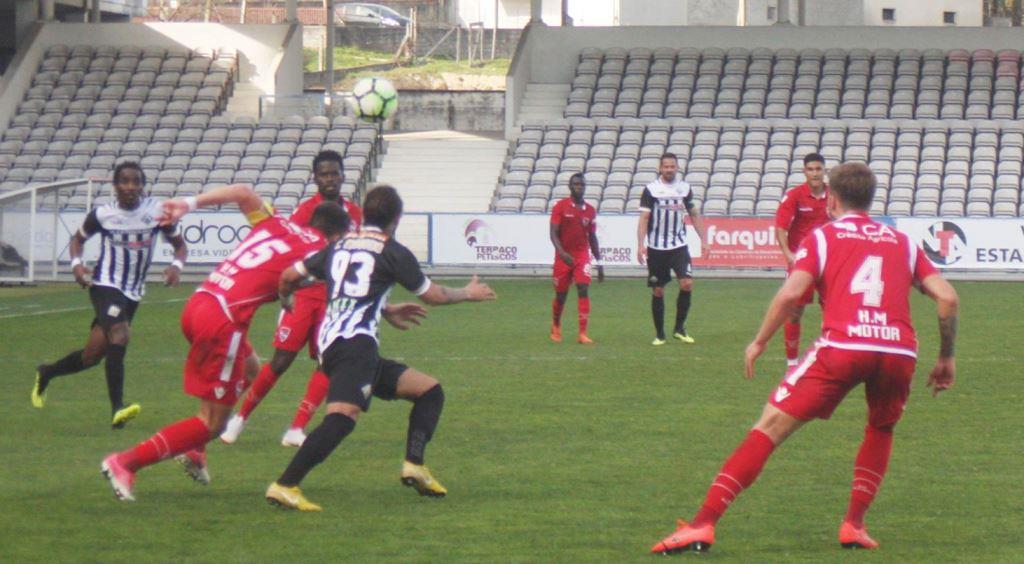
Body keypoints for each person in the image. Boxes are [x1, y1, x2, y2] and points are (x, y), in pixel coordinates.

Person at [650, 163, 959, 554]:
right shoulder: (903, 241)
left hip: (845, 347)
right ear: (870, 199)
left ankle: (702, 524)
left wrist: (760, 341)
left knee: (770, 426)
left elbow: (792, 293)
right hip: (898, 351)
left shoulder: (823, 237)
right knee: (881, 428)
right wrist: (946, 357)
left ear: (832, 200)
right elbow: (948, 297)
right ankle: (854, 525)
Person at [100, 184, 350, 501]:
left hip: (200, 302)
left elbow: (243, 192)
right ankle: (125, 462)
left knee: (251, 369)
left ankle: (194, 450)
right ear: (337, 236)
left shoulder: (276, 222)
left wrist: (188, 204)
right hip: (223, 321)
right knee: (213, 423)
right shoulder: (319, 251)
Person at [265, 185, 497, 512]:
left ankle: (414, 465)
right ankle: (285, 484)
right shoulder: (392, 251)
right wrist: (467, 293)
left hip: (337, 345)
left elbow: (289, 276)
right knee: (342, 418)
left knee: (429, 391)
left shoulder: (339, 245)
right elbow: (433, 295)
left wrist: (286, 301)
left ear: (364, 214)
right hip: (354, 345)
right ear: (396, 219)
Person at [220, 150, 363, 448]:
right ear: (315, 178)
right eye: (324, 174)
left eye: (334, 173)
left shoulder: (355, 213)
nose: (330, 179)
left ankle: (297, 428)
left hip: (334, 299)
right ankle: (239, 418)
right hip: (304, 294)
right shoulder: (305, 211)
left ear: (343, 175)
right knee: (282, 359)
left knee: (327, 360)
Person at [31, 161, 187, 428]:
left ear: (143, 186)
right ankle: (118, 408)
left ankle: (47, 372)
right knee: (121, 334)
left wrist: (176, 266)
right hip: (105, 284)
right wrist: (76, 265)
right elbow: (77, 240)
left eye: (136, 181)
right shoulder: (102, 215)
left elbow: (180, 246)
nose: (131, 187)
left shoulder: (157, 212)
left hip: (133, 292)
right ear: (115, 186)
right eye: (124, 181)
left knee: (91, 356)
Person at [637, 153, 707, 346]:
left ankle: (679, 329)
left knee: (687, 284)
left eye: (672, 166)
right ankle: (660, 334)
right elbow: (644, 218)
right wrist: (640, 244)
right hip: (656, 248)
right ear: (660, 168)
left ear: (677, 168)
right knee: (658, 290)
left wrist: (704, 240)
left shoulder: (684, 188)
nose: (669, 169)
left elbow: (694, 214)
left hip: (679, 246)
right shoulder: (651, 190)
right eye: (666, 166)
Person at [775, 153, 830, 369]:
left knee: (832, 311)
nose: (815, 173)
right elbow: (781, 227)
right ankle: (792, 363)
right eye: (810, 169)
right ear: (804, 172)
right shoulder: (794, 196)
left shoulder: (834, 196)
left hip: (828, 261)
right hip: (802, 263)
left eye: (818, 169)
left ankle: (830, 356)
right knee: (794, 311)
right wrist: (788, 254)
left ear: (824, 171)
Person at [550, 172, 603, 344]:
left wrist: (599, 262)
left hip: (582, 255)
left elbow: (592, 237)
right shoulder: (560, 206)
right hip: (563, 256)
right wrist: (562, 253)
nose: (579, 187)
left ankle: (582, 333)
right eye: (576, 184)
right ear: (570, 186)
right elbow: (553, 233)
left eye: (581, 184)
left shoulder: (590, 210)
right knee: (561, 295)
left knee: (583, 288)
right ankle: (556, 325)